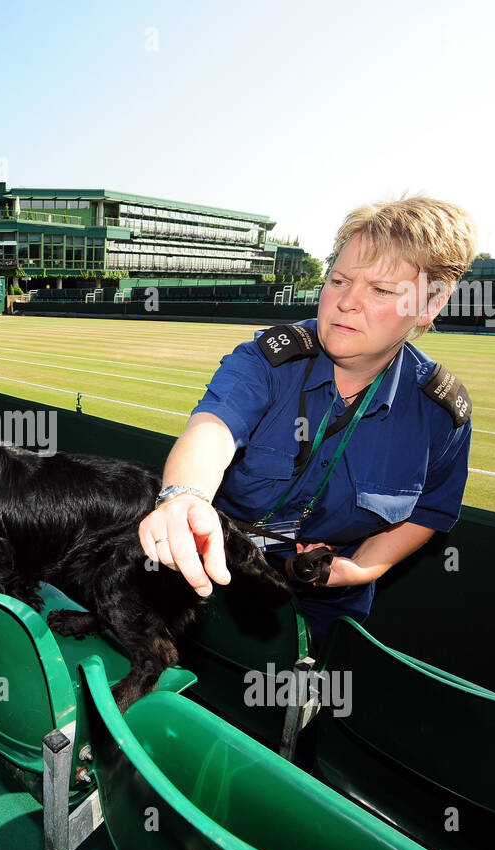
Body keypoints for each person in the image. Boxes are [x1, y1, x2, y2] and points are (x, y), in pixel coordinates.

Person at [139, 197, 477, 645]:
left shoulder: (439, 412)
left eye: (380, 290)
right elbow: (212, 430)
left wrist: (362, 568)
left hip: (328, 607)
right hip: (216, 573)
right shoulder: (268, 361)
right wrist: (183, 496)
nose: (346, 302)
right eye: (338, 280)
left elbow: (430, 510)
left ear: (430, 305)